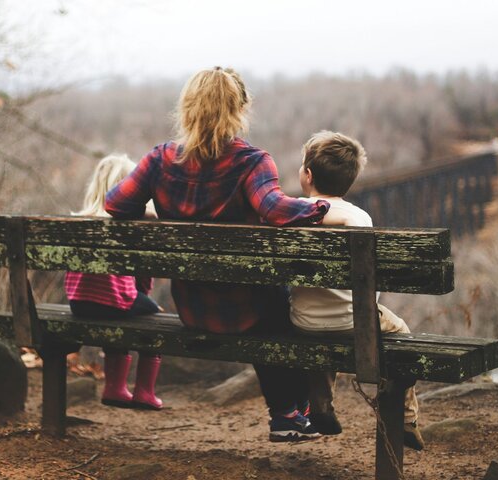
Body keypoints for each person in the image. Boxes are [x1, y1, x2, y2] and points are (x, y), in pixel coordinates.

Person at [106, 67, 331, 442]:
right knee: (279, 303)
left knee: (270, 300)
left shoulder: (160, 159)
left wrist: (151, 211)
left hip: (193, 309)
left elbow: (115, 204)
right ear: (240, 109)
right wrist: (321, 207)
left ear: (188, 108)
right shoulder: (252, 162)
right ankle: (289, 413)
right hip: (249, 311)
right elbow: (274, 208)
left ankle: (291, 414)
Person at [290, 130, 425, 450]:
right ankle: (406, 417)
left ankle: (321, 406)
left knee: (321, 328)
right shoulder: (359, 218)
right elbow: (370, 282)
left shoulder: (291, 213)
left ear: (307, 175)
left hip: (303, 322)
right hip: (356, 322)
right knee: (401, 331)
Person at [65, 154, 164, 410]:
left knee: (119, 311)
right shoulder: (129, 223)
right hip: (115, 302)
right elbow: (142, 274)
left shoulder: (80, 220)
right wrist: (144, 296)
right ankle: (144, 392)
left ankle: (115, 388)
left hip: (79, 303)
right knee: (154, 317)